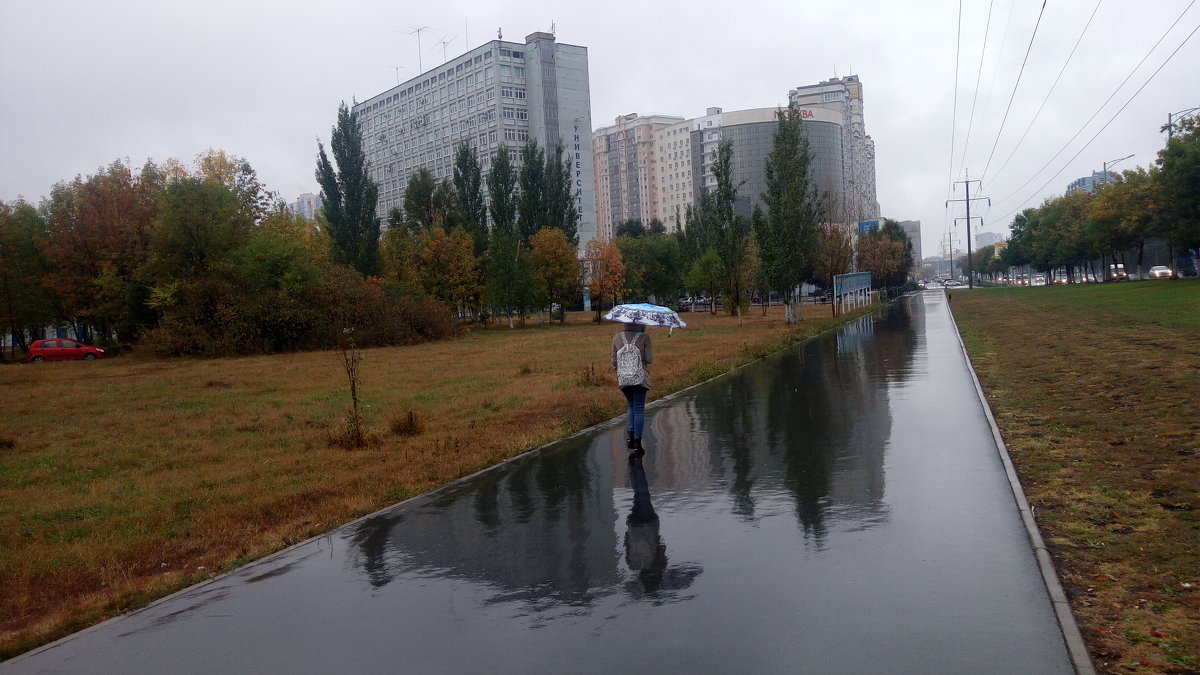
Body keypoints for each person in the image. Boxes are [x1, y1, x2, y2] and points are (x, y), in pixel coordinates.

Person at [612, 322, 653, 461]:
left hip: (624, 380)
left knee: (630, 406)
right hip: (640, 379)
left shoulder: (617, 337)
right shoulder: (644, 337)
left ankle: (629, 437)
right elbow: (649, 359)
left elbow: (614, 360)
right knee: (638, 408)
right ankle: (637, 442)